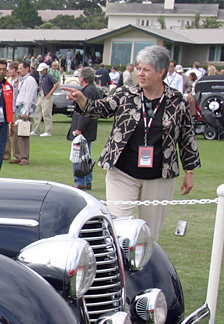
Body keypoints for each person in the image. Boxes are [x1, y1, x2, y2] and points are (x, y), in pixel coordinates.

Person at [66, 45, 199, 239]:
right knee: (119, 231)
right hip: (122, 171)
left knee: (149, 235)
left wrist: (190, 171)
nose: (140, 74)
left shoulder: (178, 101)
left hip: (159, 176)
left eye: (146, 70)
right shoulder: (125, 94)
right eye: (139, 68)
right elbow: (100, 108)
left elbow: (187, 136)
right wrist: (81, 100)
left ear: (161, 71)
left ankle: (145, 268)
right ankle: (121, 268)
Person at [67, 66, 100, 190]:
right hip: (87, 129)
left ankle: (81, 180)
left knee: (79, 156)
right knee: (85, 156)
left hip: (84, 130)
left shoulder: (89, 91)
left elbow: (86, 111)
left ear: (83, 78)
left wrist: (79, 128)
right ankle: (86, 181)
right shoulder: (90, 90)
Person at [10, 62, 38, 165]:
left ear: (27, 69)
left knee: (23, 133)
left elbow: (29, 96)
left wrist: (26, 110)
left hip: (25, 108)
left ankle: (24, 157)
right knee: (16, 133)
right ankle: (17, 155)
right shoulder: (22, 80)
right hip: (19, 107)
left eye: (21, 68)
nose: (19, 70)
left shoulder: (30, 80)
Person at [32, 62, 58, 136]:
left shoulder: (49, 76)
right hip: (41, 95)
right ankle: (36, 130)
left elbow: (57, 83)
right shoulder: (42, 77)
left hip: (47, 96)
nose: (40, 72)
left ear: (45, 69)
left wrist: (50, 93)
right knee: (37, 112)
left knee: (46, 113)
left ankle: (48, 131)